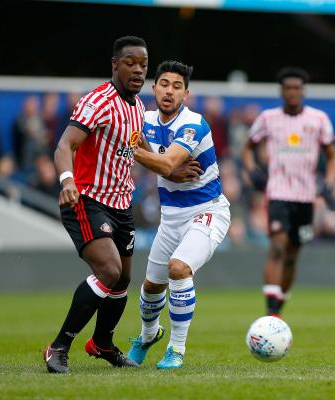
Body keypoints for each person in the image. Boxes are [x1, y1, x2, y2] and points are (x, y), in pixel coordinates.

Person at [43, 36, 148, 373]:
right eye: (130, 62)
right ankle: (59, 346)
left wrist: (174, 169)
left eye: (143, 64)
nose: (138, 70)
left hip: (121, 205)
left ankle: (102, 343)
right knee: (109, 270)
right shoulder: (98, 101)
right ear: (115, 64)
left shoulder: (138, 107)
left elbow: (141, 150)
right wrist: (67, 181)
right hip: (87, 199)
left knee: (121, 281)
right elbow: (64, 145)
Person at [125, 60, 231, 369]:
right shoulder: (141, 119)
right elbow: (162, 163)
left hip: (207, 211)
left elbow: (167, 164)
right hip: (170, 218)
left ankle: (177, 348)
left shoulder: (193, 124)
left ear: (186, 93)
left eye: (177, 86)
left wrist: (151, 159)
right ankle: (148, 336)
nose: (169, 91)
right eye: (164, 84)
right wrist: (162, 164)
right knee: (150, 289)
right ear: (154, 88)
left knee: (179, 268)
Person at [242, 67, 335, 317]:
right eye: (288, 88)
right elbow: (248, 147)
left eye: (297, 88)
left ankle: (278, 307)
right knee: (277, 246)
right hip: (278, 193)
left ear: (303, 91)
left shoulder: (318, 119)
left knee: (293, 254)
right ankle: (271, 310)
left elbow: (331, 155)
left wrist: (329, 182)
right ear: (281, 91)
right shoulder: (268, 118)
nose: (292, 92)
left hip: (306, 198)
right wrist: (251, 170)